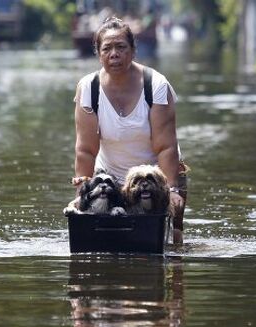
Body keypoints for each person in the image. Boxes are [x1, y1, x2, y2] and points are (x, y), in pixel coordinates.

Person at [71, 16, 188, 244]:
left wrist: (172, 190)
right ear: (99, 53)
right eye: (107, 48)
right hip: (111, 179)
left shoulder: (156, 85)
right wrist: (81, 195)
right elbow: (85, 150)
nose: (114, 54)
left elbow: (165, 147)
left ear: (133, 50)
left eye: (121, 47)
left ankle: (177, 247)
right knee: (106, 242)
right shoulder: (88, 88)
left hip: (156, 178)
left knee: (171, 245)